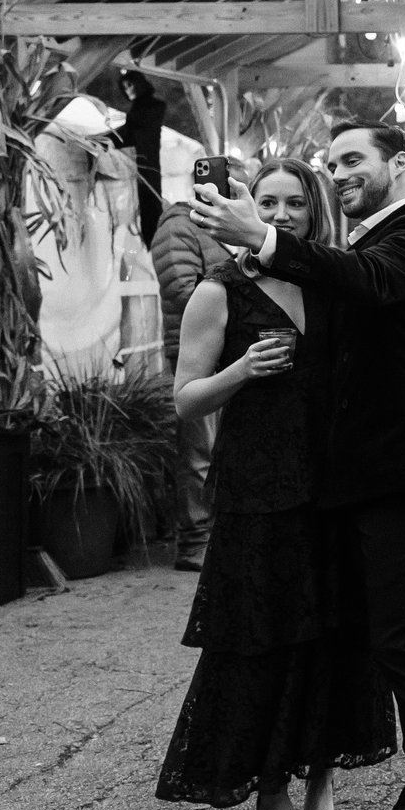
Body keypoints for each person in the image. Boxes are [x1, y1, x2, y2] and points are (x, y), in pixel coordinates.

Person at [191, 122, 405, 810]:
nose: (340, 170)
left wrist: (262, 235)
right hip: (377, 491)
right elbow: (348, 287)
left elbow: (367, 280)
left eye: (353, 159)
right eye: (336, 161)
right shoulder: (370, 245)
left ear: (401, 163)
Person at [154, 159, 394, 810]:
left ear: (311, 212)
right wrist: (240, 371)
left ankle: (321, 773)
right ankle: (270, 791)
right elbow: (184, 397)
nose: (282, 213)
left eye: (294, 202)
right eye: (268, 200)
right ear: (245, 204)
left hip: (331, 491)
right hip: (258, 493)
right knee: (264, 640)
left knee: (334, 632)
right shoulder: (218, 291)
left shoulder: (330, 284)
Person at [151, 194, 225, 571]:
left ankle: (214, 537)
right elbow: (182, 288)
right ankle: (194, 543)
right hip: (195, 353)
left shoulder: (221, 228)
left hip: (227, 351)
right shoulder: (180, 226)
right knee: (199, 450)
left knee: (215, 449)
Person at [112, 69, 168, 247]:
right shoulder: (140, 110)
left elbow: (131, 131)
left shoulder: (154, 107)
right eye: (125, 86)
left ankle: (153, 240)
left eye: (130, 84)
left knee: (150, 203)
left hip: (148, 162)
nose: (128, 89)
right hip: (139, 162)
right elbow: (127, 134)